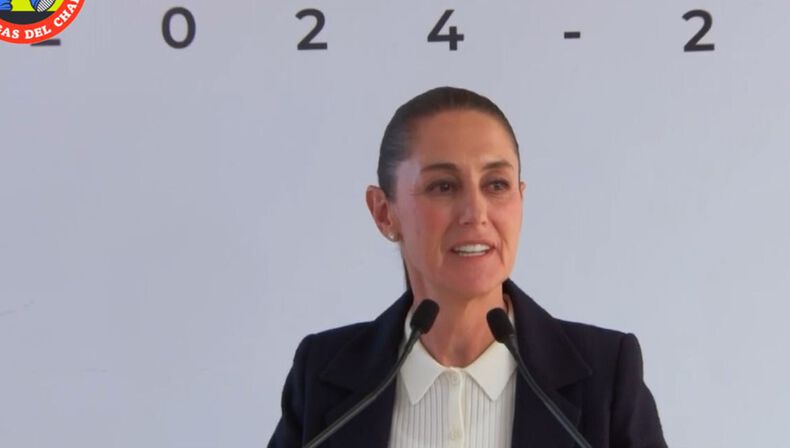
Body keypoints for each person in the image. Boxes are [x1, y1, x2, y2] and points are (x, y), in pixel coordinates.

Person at [268, 87, 667, 448]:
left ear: (520, 199)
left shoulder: (606, 376)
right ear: (384, 212)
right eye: (443, 186)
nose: (476, 213)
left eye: (496, 185)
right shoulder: (321, 375)